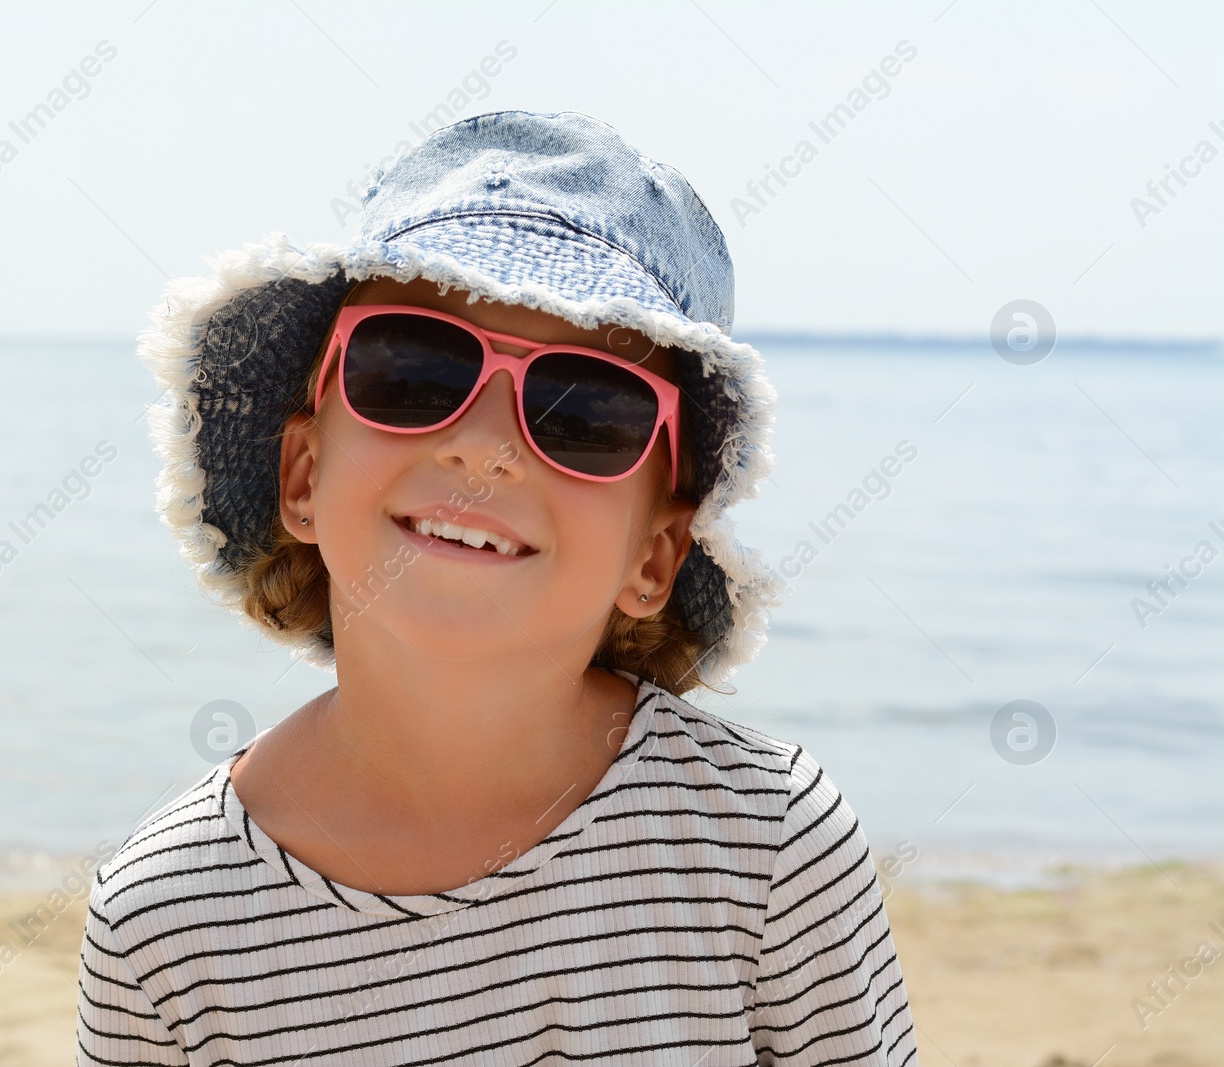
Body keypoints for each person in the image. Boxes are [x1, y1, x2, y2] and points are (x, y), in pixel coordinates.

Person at [76, 110, 916, 1066]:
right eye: (414, 368)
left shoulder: (765, 847)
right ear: (303, 476)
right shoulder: (168, 917)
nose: (484, 445)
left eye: (587, 409)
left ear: (657, 555)